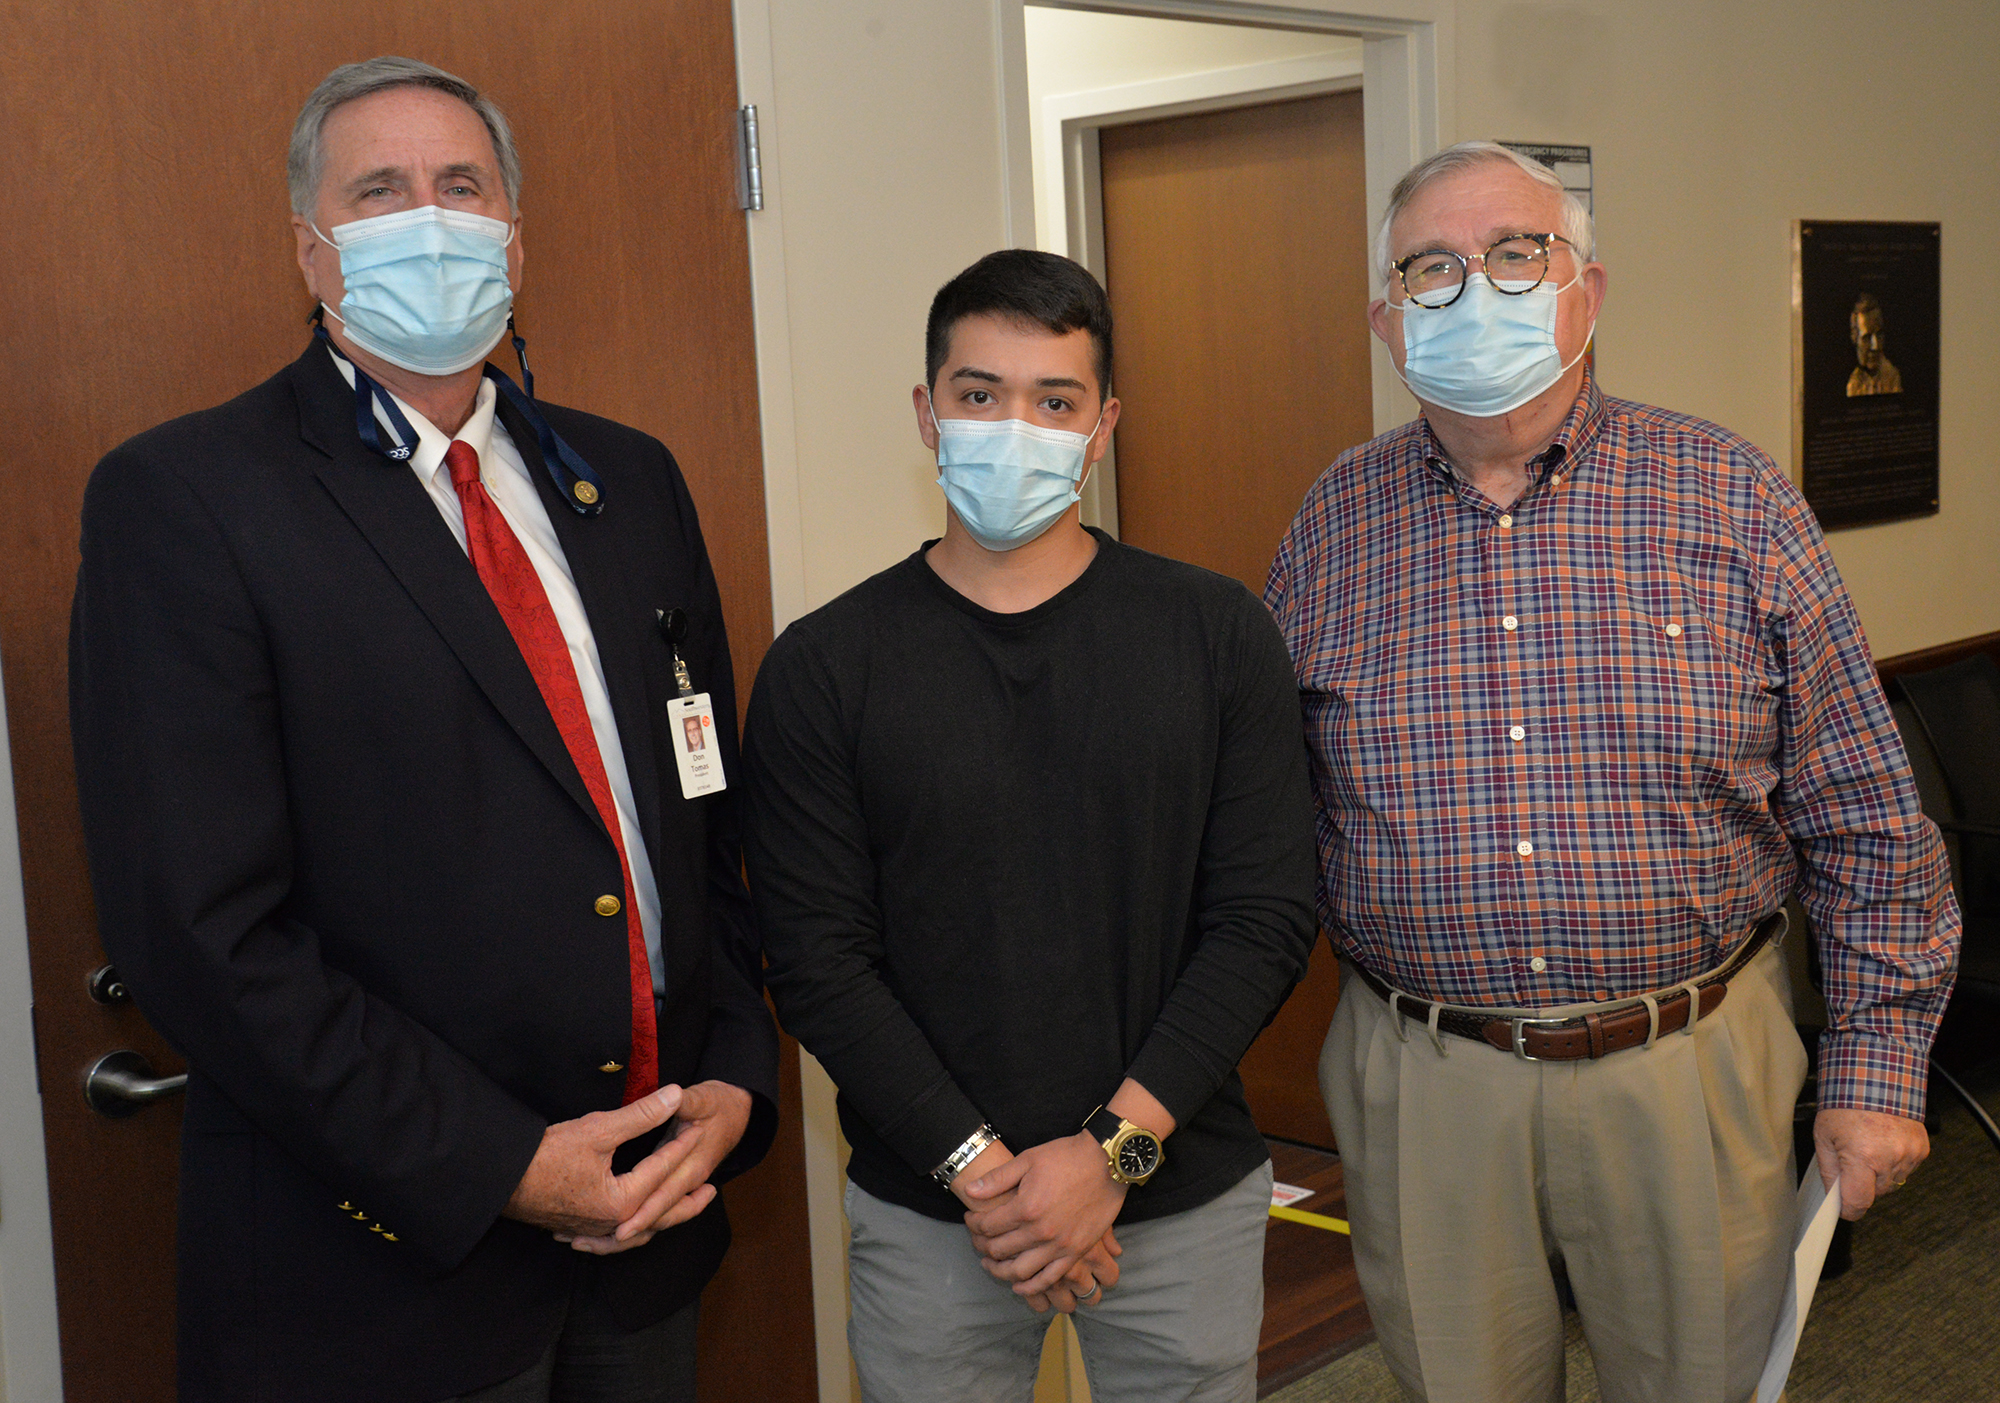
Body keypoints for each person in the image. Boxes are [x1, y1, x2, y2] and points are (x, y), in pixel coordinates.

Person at [69, 57, 777, 1403]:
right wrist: (504, 1163)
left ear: (514, 228)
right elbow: (200, 934)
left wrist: (736, 1081)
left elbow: (700, 816)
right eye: (381, 190)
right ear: (311, 245)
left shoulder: (626, 480)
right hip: (377, 1276)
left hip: (650, 1229)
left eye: (463, 185)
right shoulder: (190, 499)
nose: (431, 217)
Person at [1264, 142, 1960, 1403]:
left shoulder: (1731, 497)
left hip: (1689, 1068)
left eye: (1515, 254)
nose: (1475, 292)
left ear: (1585, 287)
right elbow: (1272, 815)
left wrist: (1874, 1070)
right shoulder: (1327, 527)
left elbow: (1865, 817)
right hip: (1422, 1081)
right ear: (1385, 319)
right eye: (1431, 268)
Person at [740, 249, 1316, 1403]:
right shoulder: (823, 666)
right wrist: (989, 1176)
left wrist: (1107, 1155)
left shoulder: (1214, 634)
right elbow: (813, 957)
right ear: (926, 411)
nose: (1016, 427)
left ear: (1101, 426)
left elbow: (1261, 917)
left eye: (1053, 402)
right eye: (978, 394)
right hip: (936, 1209)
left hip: (1179, 1190)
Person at [1846, 292, 1903, 395]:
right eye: (1867, 338)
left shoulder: (1892, 376)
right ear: (1855, 339)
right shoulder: (1852, 382)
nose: (1875, 346)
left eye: (1879, 335)